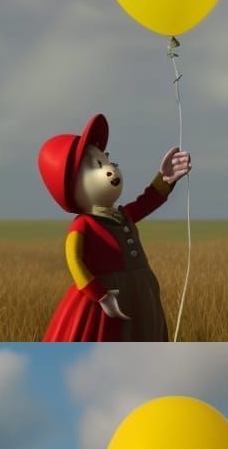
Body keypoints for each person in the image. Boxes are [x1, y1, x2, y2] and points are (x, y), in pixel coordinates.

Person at [37, 113, 191, 341]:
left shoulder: (122, 216)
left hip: (141, 293)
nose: (109, 170)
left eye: (108, 161)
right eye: (96, 166)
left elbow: (145, 203)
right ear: (70, 185)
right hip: (109, 297)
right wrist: (100, 295)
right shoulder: (83, 225)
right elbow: (75, 262)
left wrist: (165, 179)